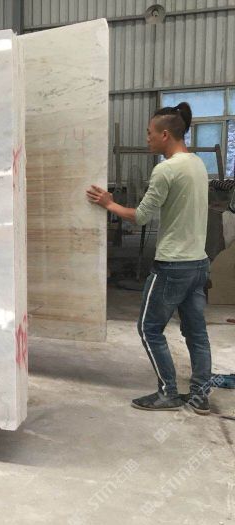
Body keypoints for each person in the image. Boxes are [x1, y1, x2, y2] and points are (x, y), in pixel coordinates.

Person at [86, 102, 213, 414]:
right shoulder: (198, 164)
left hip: (172, 266)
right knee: (196, 333)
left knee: (149, 328)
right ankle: (200, 395)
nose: (147, 139)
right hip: (198, 263)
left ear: (165, 134)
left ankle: (168, 392)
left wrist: (109, 204)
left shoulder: (166, 170)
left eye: (149, 133)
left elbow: (141, 216)